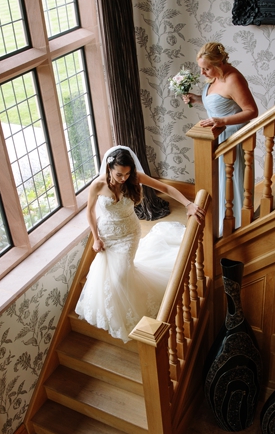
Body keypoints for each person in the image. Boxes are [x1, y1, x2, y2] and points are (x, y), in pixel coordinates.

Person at [75, 146, 205, 343]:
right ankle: (114, 312)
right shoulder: (97, 186)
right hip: (107, 234)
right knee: (106, 272)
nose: (123, 178)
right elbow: (90, 212)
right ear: (109, 168)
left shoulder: (135, 178)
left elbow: (166, 188)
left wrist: (188, 204)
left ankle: (135, 312)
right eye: (119, 174)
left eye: (127, 174)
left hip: (129, 233)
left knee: (120, 275)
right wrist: (96, 238)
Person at [183, 42, 258, 229]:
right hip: (216, 138)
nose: (202, 73)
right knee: (217, 184)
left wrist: (222, 122)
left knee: (230, 184)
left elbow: (251, 111)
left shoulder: (234, 79)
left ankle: (237, 228)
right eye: (201, 68)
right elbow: (221, 102)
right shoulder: (215, 77)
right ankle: (217, 227)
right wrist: (197, 99)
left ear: (219, 63)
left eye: (206, 68)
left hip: (232, 139)